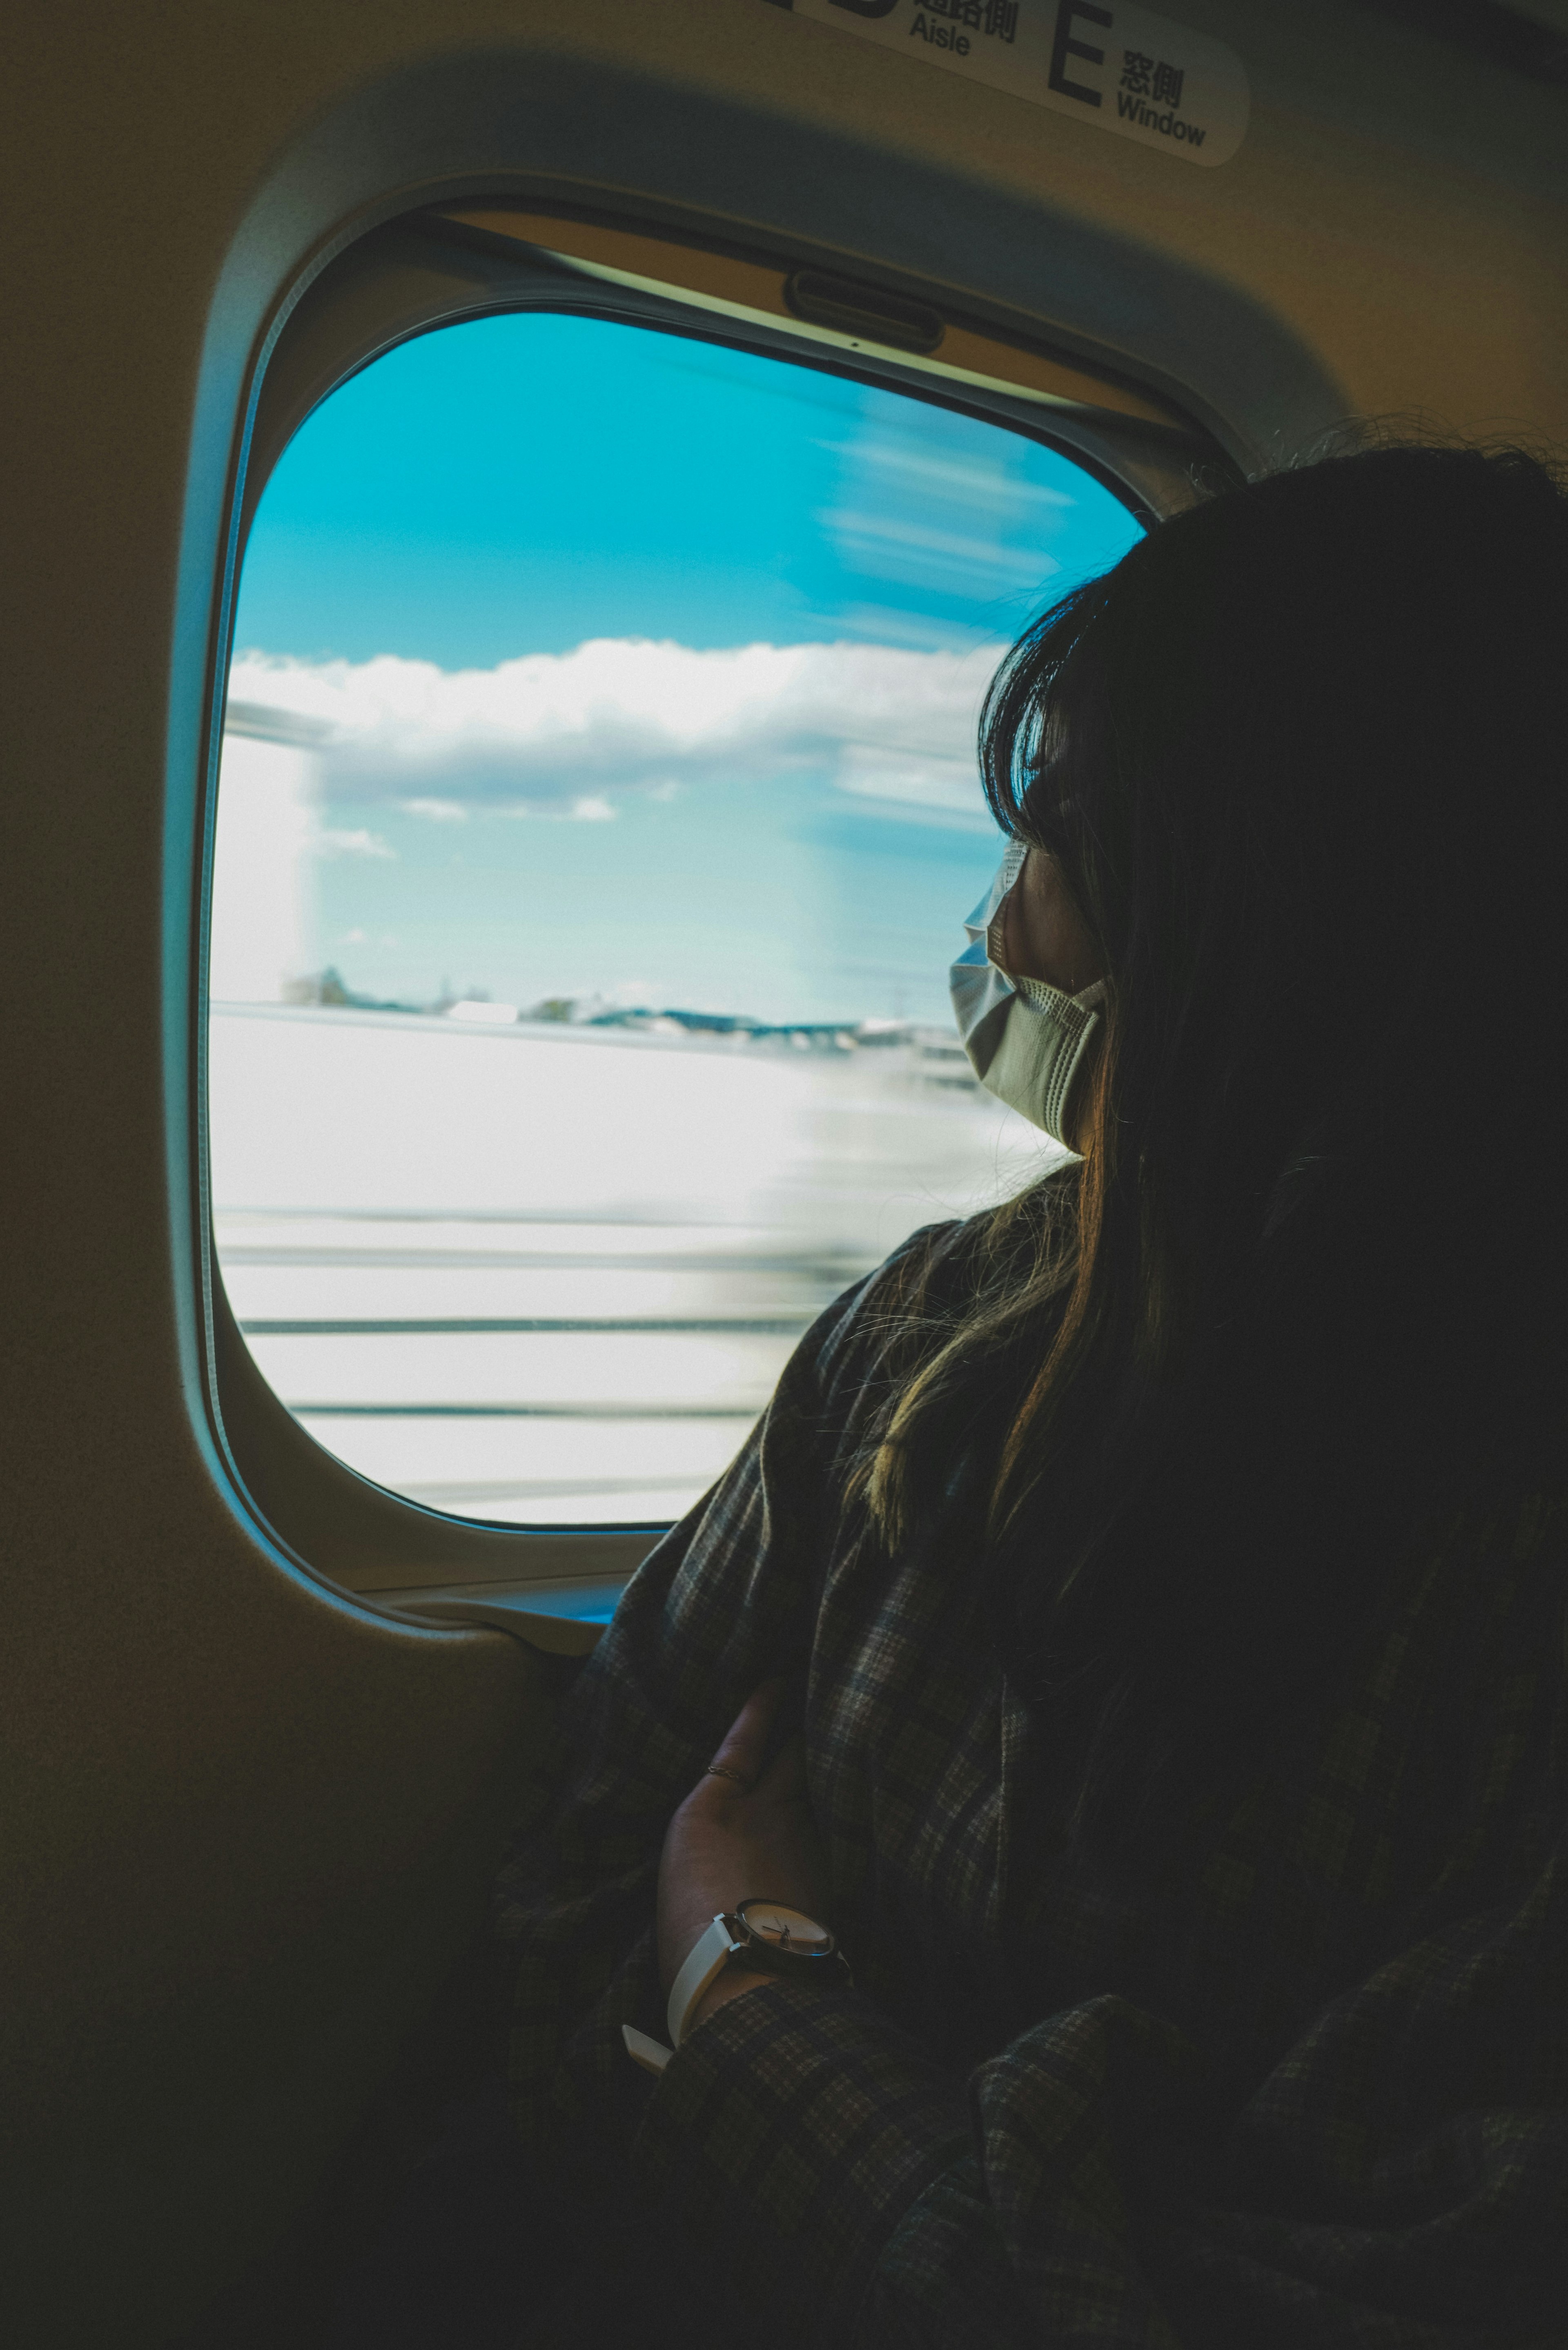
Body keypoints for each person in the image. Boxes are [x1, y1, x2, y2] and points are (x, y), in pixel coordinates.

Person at [492, 444, 1568, 2347]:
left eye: (1053, 848)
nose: (994, 938)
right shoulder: (929, 1328)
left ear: (1271, 921)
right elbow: (591, 1868)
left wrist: (755, 1992)